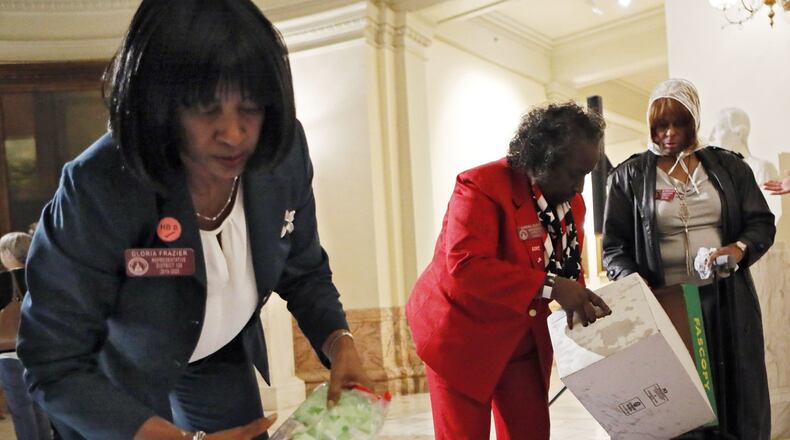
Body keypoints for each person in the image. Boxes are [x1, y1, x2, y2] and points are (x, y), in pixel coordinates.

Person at [17, 1, 370, 439]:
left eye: (249, 107)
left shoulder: (283, 154)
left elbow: (304, 270)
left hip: (217, 355)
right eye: (205, 109)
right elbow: (53, 360)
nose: (234, 134)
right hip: (115, 379)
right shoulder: (99, 185)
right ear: (158, 105)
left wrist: (340, 342)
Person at [406, 102, 612, 440]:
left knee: (529, 432)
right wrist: (553, 287)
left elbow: (567, 267)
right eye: (574, 173)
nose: (580, 187)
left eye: (586, 175)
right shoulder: (481, 186)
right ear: (544, 160)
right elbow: (466, 266)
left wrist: (582, 302)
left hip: (521, 337)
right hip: (460, 336)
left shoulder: (572, 204)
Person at [602, 78, 774, 439]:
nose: (668, 134)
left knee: (734, 399)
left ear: (694, 122)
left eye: (679, 123)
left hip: (726, 301)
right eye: (660, 125)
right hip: (667, 307)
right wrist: (635, 284)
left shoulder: (729, 168)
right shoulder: (628, 177)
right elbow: (614, 248)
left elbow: (760, 223)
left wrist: (738, 250)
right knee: (679, 403)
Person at [0, 232, 52, 440]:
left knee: (21, 407)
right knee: (38, 404)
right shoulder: (43, 275)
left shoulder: (4, 280)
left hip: (11, 352)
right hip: (41, 348)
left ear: (9, 253)